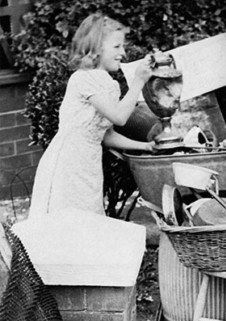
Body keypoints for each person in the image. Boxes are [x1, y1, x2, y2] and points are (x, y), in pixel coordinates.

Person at [29, 12, 157, 218]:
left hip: (89, 165)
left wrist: (146, 146)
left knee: (87, 222)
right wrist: (138, 81)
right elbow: (119, 117)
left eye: (122, 46)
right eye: (116, 47)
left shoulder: (107, 83)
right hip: (68, 165)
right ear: (96, 48)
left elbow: (107, 135)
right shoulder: (85, 79)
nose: (123, 53)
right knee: (68, 222)